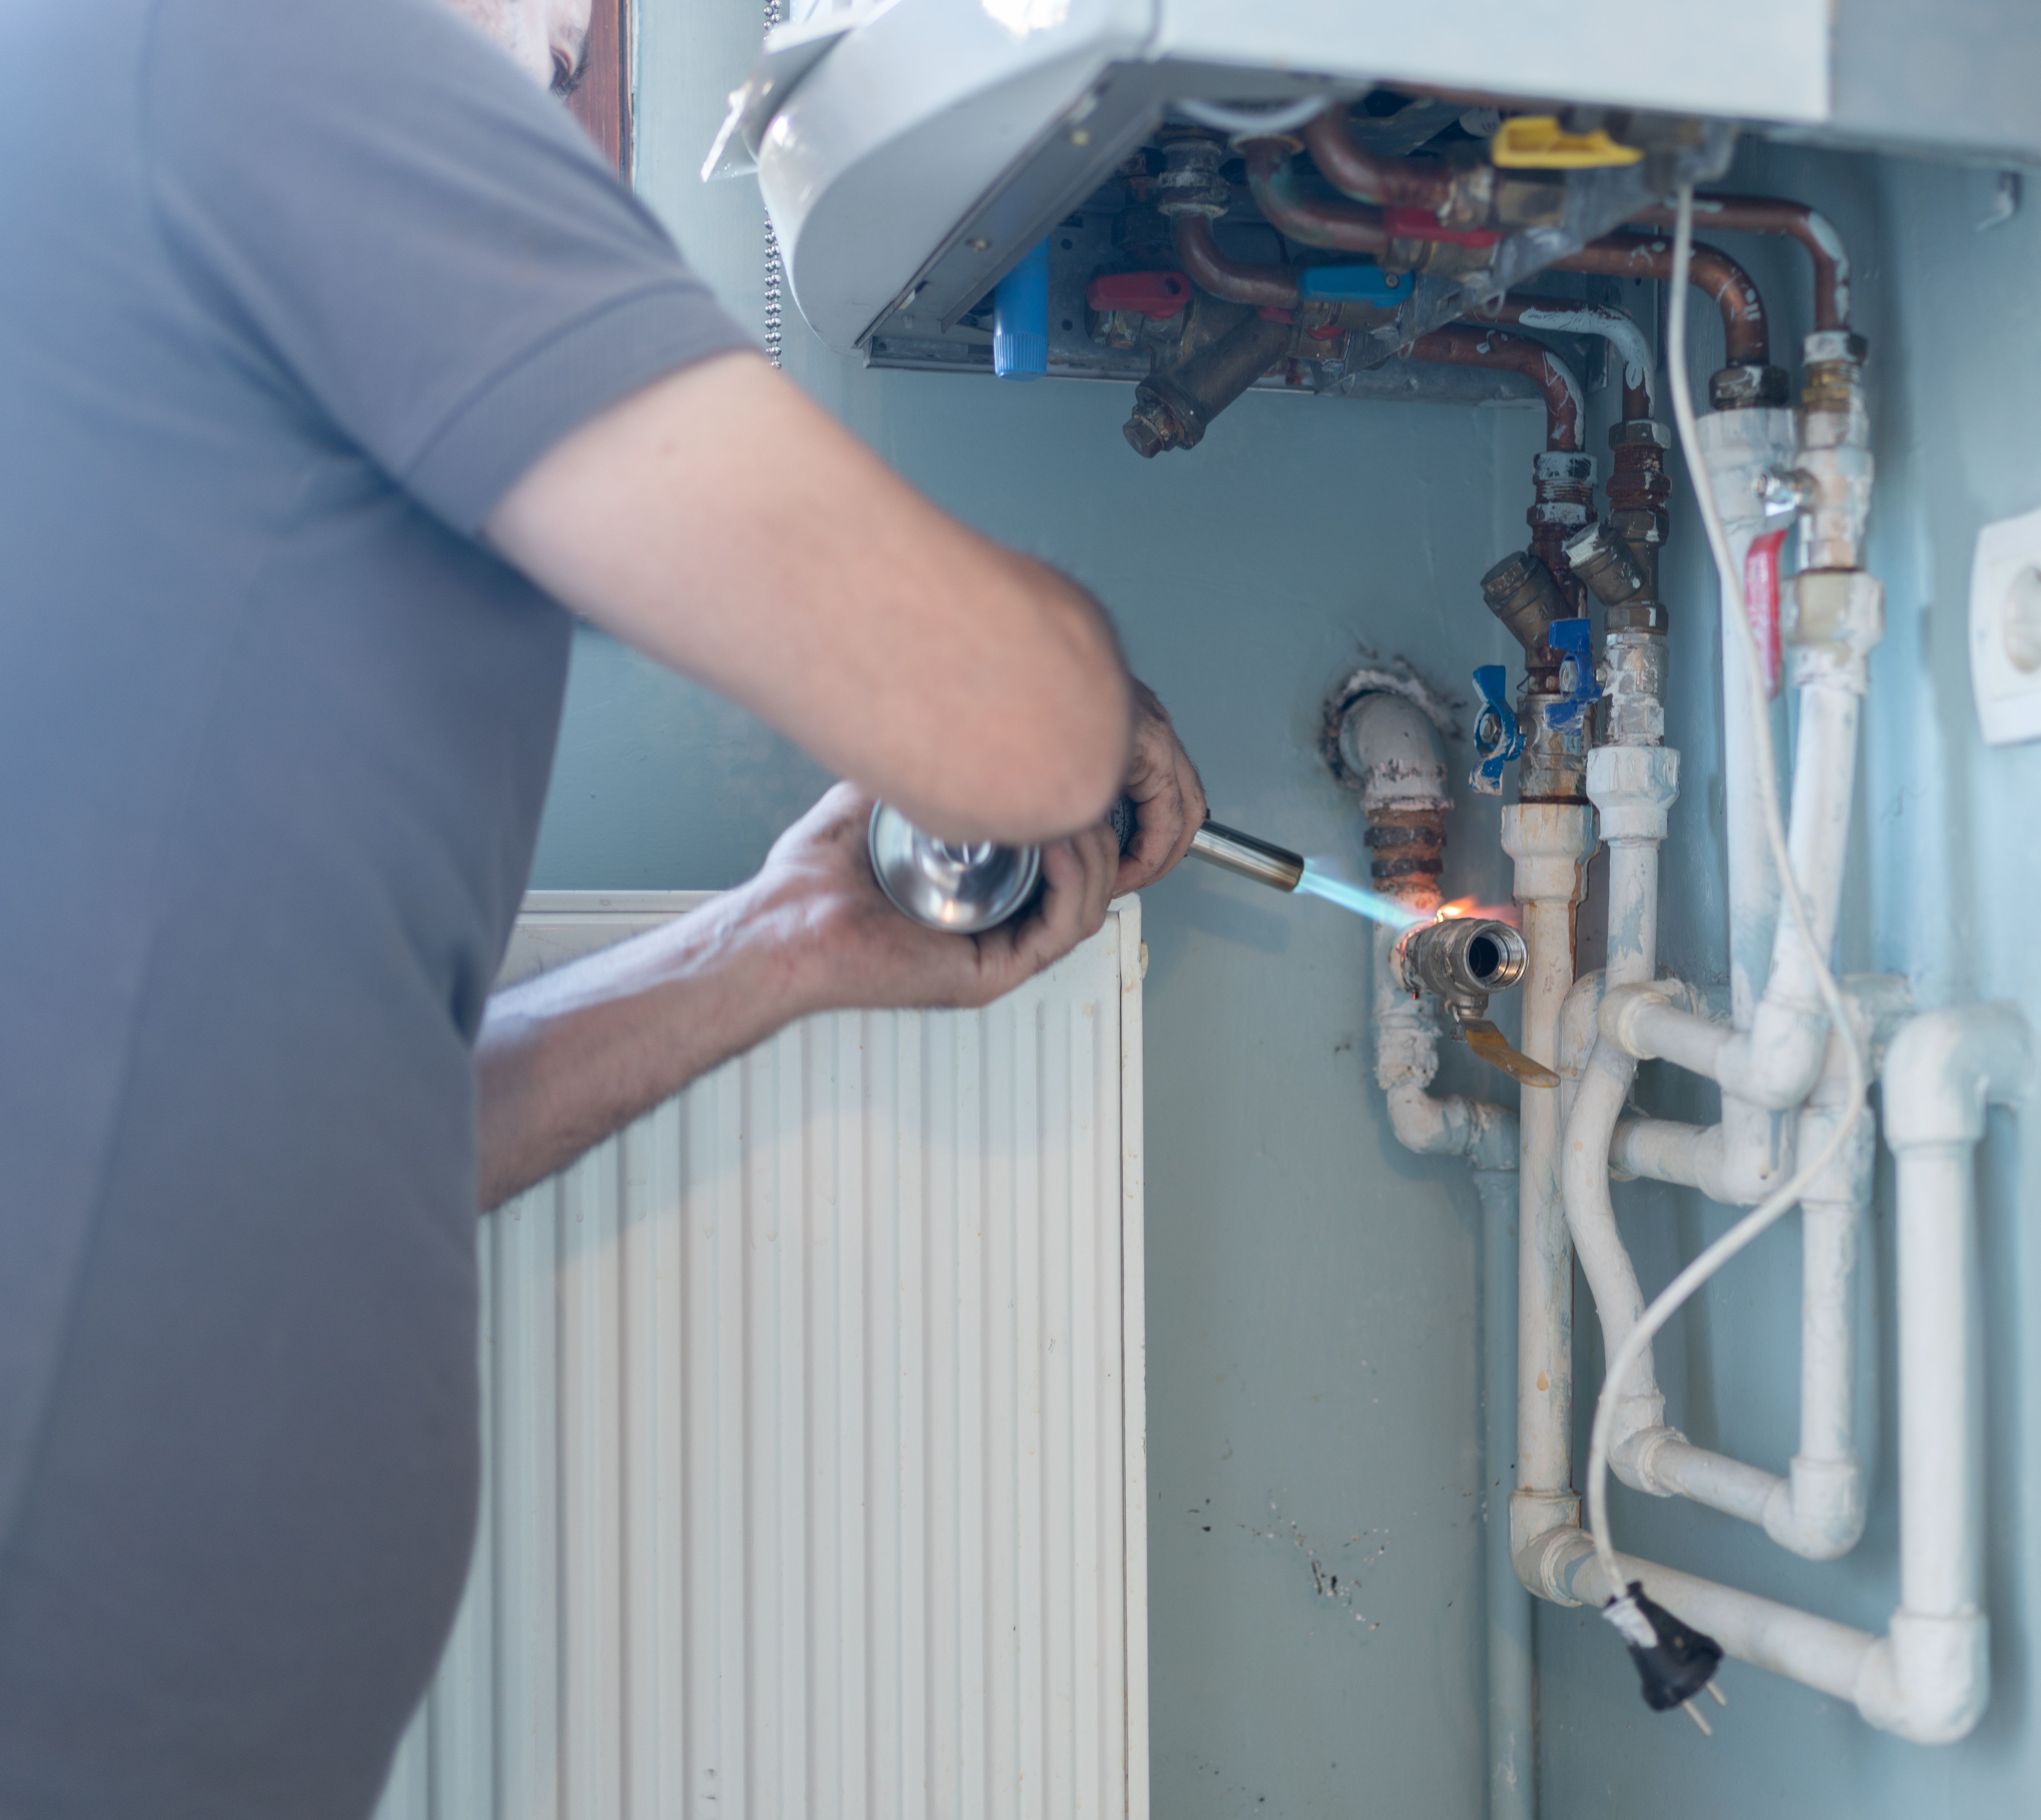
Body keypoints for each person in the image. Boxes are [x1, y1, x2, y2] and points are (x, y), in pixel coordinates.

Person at [0, 0, 1206, 1812]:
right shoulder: (283, 59)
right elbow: (1018, 728)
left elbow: (339, 1124)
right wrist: (1085, 689)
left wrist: (776, 941)